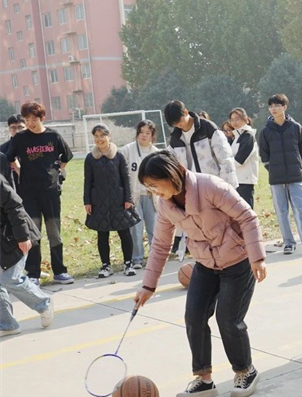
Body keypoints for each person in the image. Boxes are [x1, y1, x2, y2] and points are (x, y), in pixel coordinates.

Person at [134, 151, 266, 397]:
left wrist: (256, 257)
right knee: (194, 315)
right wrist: (148, 286)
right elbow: (161, 245)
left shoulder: (210, 187)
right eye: (148, 187)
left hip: (237, 261)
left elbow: (247, 217)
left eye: (154, 184)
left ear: (172, 175)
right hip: (205, 264)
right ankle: (204, 380)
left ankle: (245, 371)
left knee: (228, 318)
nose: (153, 191)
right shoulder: (166, 204)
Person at [3, 101, 74, 285]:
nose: (30, 123)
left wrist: (57, 171)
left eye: (34, 119)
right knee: (33, 234)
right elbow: (10, 159)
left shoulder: (53, 136)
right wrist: (20, 171)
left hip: (51, 193)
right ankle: (33, 273)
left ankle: (59, 271)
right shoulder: (20, 139)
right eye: (27, 119)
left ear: (42, 118)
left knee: (54, 233)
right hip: (28, 194)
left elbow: (66, 157)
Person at [257, 94, 302, 256]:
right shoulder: (265, 131)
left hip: (295, 175)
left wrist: (298, 166)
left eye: (277, 105)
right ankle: (288, 242)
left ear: (285, 107)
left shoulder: (295, 127)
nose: (274, 109)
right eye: (271, 106)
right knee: (282, 211)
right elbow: (264, 154)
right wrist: (272, 169)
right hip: (276, 178)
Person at [0, 171, 54, 336]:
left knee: (10, 278)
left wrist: (22, 236)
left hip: (15, 236)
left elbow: (15, 206)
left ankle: (43, 303)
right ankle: (7, 324)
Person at [84, 125, 140, 278]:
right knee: (102, 235)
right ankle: (105, 266)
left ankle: (128, 263)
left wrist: (128, 199)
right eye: (96, 136)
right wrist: (87, 201)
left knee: (124, 233)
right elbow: (87, 181)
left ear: (109, 136)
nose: (99, 139)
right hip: (99, 202)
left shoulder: (119, 156)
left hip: (119, 201)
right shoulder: (90, 158)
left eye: (102, 135)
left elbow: (126, 178)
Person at [163, 101, 238, 188]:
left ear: (185, 112)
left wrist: (228, 187)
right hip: (192, 188)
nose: (178, 125)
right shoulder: (175, 138)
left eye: (179, 121)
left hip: (215, 186)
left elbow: (225, 159)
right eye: (174, 124)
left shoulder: (208, 128)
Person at [119, 120, 159, 269]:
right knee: (135, 229)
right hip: (134, 196)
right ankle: (137, 258)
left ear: (152, 135)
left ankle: (155, 257)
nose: (144, 135)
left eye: (148, 133)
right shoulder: (127, 150)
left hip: (151, 195)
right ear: (137, 133)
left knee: (153, 228)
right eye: (142, 132)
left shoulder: (156, 152)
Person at [228, 107, 259, 209]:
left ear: (245, 119)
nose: (234, 122)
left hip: (245, 180)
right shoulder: (237, 136)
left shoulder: (248, 135)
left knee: (247, 211)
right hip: (236, 179)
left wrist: (225, 165)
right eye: (232, 120)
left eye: (237, 119)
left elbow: (240, 159)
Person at [1, 114, 25, 189]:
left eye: (20, 127)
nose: (17, 131)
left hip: (31, 190)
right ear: (9, 129)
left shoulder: (33, 148)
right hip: (11, 191)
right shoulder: (2, 150)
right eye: (13, 128)